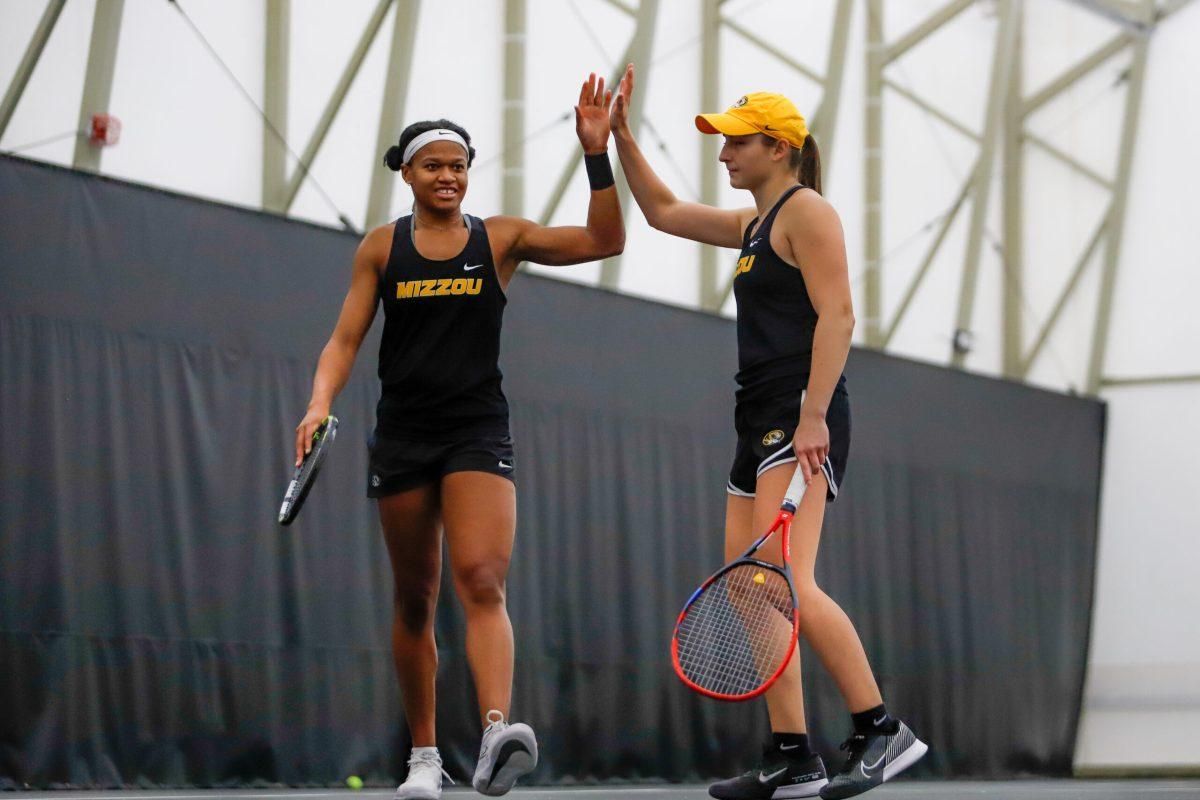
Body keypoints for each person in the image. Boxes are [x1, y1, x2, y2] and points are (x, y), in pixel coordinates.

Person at [294, 74, 623, 800]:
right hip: (404, 436)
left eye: (459, 165)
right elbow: (345, 341)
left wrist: (597, 156)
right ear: (407, 173)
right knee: (416, 598)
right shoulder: (381, 249)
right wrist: (320, 401)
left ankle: (496, 733)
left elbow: (607, 238)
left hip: (477, 429)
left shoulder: (499, 238)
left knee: (482, 580)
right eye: (433, 165)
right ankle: (422, 758)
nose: (449, 176)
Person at [609, 64, 927, 800]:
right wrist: (619, 138)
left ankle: (882, 728)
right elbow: (661, 212)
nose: (723, 156)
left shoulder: (807, 210)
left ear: (779, 148)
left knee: (786, 581)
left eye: (737, 143)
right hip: (756, 420)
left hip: (799, 415)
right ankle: (793, 754)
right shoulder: (755, 224)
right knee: (750, 589)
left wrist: (814, 413)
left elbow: (839, 315)